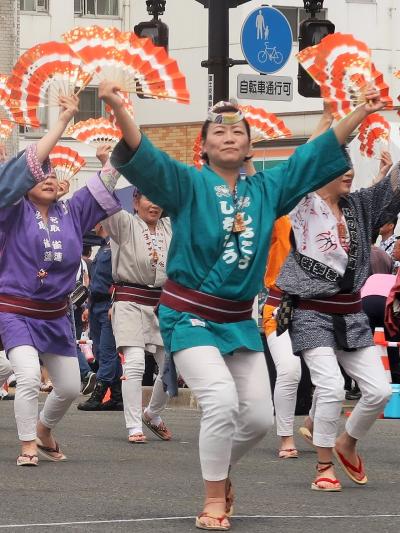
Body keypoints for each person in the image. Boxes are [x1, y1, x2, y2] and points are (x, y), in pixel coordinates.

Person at [102, 78, 382, 529]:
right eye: (218, 133)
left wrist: (360, 112)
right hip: (188, 314)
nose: (229, 137)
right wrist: (118, 107)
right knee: (219, 400)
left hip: (238, 320)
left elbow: (312, 157)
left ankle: (219, 467)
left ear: (250, 146)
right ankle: (214, 496)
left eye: (237, 133)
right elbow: (146, 156)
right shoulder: (187, 184)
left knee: (256, 418)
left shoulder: (268, 190)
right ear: (204, 147)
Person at [0, 95, 121, 466]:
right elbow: (25, 167)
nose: (50, 178)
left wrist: (109, 157)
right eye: (42, 174)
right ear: (25, 183)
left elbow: (103, 186)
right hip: (15, 310)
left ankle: (43, 429)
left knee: (68, 387)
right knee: (26, 374)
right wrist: (65, 118)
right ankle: (27, 446)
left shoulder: (71, 212)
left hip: (55, 314)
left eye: (54, 174)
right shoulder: (10, 211)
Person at [277, 151, 398, 490]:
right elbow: (300, 166)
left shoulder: (358, 204)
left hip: (351, 312)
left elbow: (394, 184)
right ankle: (324, 465)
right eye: (339, 167)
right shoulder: (302, 204)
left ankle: (347, 442)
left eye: (350, 168)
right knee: (330, 387)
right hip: (311, 310)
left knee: (378, 391)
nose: (348, 173)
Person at [101, 189, 172, 443]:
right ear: (135, 201)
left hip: (161, 304)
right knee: (134, 362)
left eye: (159, 199)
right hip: (129, 300)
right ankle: (133, 425)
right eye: (148, 198)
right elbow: (103, 199)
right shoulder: (124, 222)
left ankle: (152, 413)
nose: (154, 204)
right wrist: (109, 165)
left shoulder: (169, 226)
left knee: (170, 365)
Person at [77, 221, 123, 411]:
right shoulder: (104, 246)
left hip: (109, 306)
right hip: (96, 304)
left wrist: (114, 304)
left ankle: (99, 393)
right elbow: (95, 282)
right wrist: (88, 305)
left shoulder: (118, 245)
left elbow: (121, 279)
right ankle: (118, 395)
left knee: (107, 351)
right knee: (100, 350)